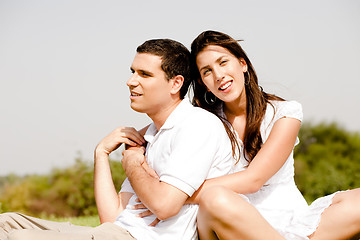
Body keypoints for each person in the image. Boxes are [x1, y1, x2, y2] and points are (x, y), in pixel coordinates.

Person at [0, 38, 234, 240]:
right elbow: (111, 218)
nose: (131, 81)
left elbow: (165, 206)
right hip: (114, 233)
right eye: (133, 71)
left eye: (145, 74)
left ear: (176, 83)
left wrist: (132, 162)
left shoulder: (196, 125)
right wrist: (101, 152)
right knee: (6, 224)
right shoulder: (152, 133)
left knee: (20, 237)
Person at [185, 30, 360, 240]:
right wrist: (134, 137)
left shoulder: (285, 113)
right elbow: (157, 132)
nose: (218, 75)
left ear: (243, 64)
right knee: (214, 199)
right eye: (207, 71)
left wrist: (179, 194)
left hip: (293, 222)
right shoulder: (201, 120)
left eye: (223, 62)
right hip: (231, 221)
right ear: (203, 82)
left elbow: (254, 180)